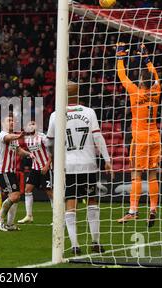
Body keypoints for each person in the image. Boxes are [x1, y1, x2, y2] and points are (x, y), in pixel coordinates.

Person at [47, 81, 112, 255]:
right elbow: (98, 138)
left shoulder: (56, 115)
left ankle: (75, 245)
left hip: (67, 166)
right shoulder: (89, 112)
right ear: (79, 93)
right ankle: (96, 242)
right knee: (92, 201)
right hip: (88, 164)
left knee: (70, 203)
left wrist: (53, 157)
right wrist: (107, 159)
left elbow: (49, 142)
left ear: (64, 93)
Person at [115, 43, 161, 227]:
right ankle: (153, 209)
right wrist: (146, 58)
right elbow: (154, 73)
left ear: (141, 82)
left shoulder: (135, 91)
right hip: (155, 136)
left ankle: (133, 211)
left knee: (136, 174)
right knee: (152, 174)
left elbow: (122, 76)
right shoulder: (157, 90)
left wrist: (120, 56)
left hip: (140, 138)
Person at [0, 114, 33, 232]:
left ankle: (10, 224)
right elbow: (8, 138)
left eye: (12, 120)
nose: (11, 122)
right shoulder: (2, 135)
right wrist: (18, 136)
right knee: (14, 196)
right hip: (3, 171)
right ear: (3, 124)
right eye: (8, 120)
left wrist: (29, 154)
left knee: (16, 197)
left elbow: (19, 151)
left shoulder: (13, 139)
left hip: (10, 172)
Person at [17, 121, 53, 224]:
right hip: (35, 168)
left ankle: (58, 217)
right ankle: (29, 216)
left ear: (36, 126)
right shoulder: (27, 139)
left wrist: (47, 165)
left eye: (33, 124)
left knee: (49, 192)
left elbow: (52, 151)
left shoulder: (42, 137)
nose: (31, 126)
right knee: (28, 189)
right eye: (29, 125)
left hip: (46, 167)